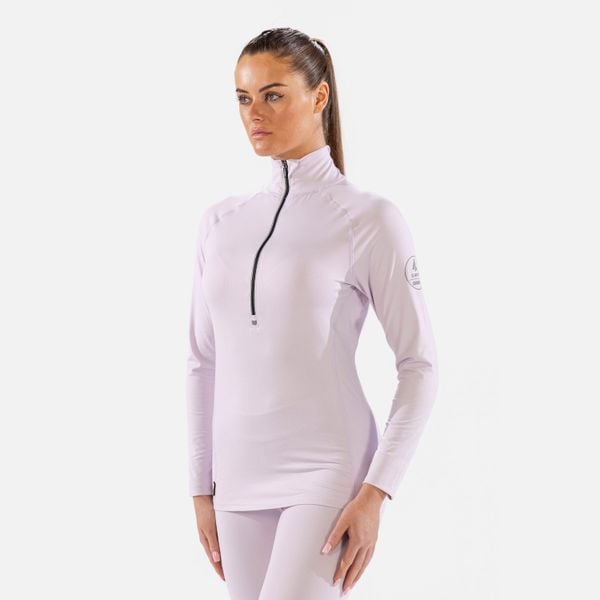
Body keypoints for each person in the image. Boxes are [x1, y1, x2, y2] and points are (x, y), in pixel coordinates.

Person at [186, 27, 439, 599]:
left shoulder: (368, 218)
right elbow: (201, 361)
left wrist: (377, 492)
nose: (254, 113)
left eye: (273, 95)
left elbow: (419, 365)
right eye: (244, 98)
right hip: (236, 477)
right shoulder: (220, 222)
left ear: (319, 96)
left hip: (327, 469)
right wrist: (200, 487)